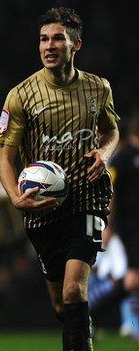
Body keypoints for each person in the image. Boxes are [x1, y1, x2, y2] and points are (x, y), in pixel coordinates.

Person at [0, 7, 120, 350]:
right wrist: (15, 197)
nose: (49, 46)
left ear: (76, 44)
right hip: (41, 206)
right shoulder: (21, 95)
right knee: (60, 301)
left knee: (73, 289)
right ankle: (82, 328)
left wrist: (104, 153)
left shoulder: (98, 88)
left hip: (87, 198)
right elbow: (5, 155)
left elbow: (111, 131)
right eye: (43, 39)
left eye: (57, 39)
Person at [107, 116, 139, 340]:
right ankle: (88, 312)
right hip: (127, 226)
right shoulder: (122, 158)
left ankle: (130, 322)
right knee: (131, 276)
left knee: (130, 276)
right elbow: (111, 193)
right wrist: (108, 225)